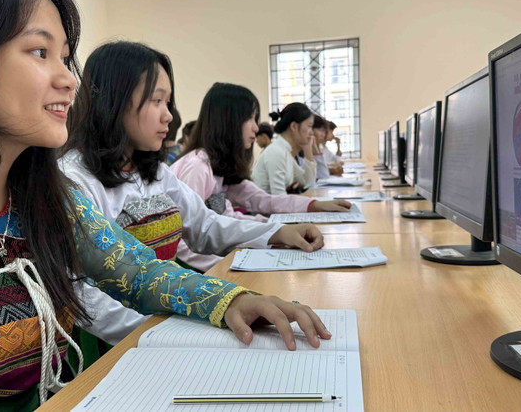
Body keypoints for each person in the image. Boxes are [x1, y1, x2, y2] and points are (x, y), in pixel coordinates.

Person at [0, 0, 330, 410]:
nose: (69, 79)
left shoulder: (43, 196)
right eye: (39, 51)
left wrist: (231, 302)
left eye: (65, 57)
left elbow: (138, 273)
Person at [59, 41, 328, 338]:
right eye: (156, 101)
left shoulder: (155, 172)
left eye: (168, 102)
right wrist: (172, 330)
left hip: (170, 313)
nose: (169, 116)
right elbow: (84, 295)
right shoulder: (76, 180)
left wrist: (275, 233)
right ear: (114, 101)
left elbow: (204, 225)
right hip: (121, 338)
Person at [170, 82, 351, 266]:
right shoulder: (197, 168)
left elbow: (258, 203)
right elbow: (182, 242)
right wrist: (227, 265)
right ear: (228, 120)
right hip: (189, 268)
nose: (256, 128)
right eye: (250, 119)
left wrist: (307, 211)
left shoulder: (220, 167)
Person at [252, 103, 318, 194]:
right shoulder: (276, 152)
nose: (311, 132)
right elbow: (279, 198)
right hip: (261, 208)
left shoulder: (285, 151)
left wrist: (308, 149)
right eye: (309, 126)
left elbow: (308, 182)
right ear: (294, 126)